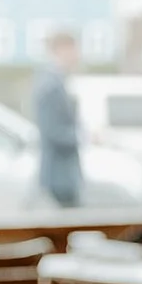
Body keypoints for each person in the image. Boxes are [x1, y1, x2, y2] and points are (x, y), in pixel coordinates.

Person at [33, 29, 83, 208]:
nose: (77, 55)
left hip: (63, 174)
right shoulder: (51, 85)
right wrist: (81, 136)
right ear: (62, 49)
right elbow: (52, 130)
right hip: (59, 175)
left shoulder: (57, 81)